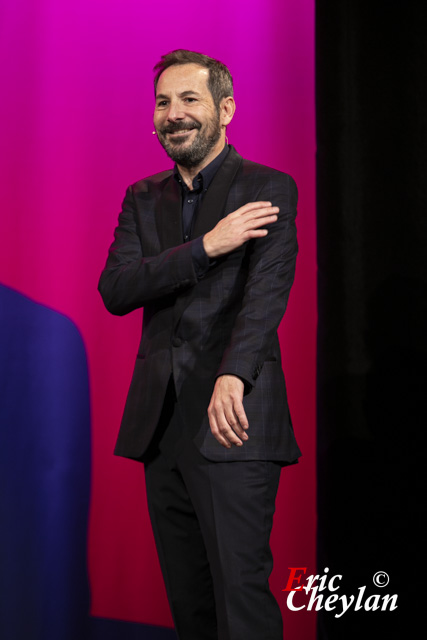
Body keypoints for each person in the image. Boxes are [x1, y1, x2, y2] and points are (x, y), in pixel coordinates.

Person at [98, 49, 301, 640]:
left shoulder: (268, 187)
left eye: (189, 99)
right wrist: (205, 247)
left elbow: (265, 297)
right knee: (190, 608)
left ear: (225, 109)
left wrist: (233, 375)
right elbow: (116, 288)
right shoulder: (143, 197)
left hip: (233, 419)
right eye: (163, 102)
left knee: (240, 601)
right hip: (161, 427)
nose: (174, 113)